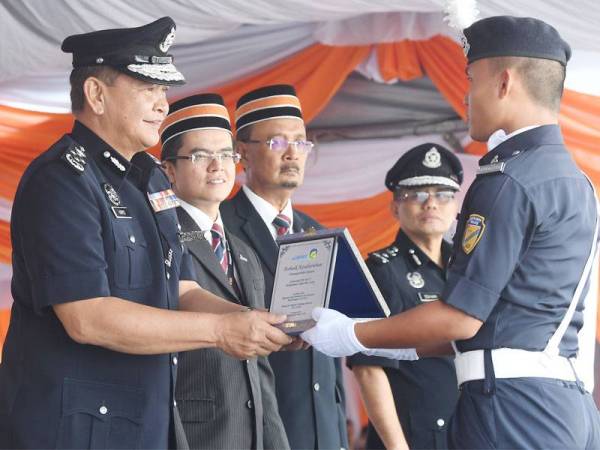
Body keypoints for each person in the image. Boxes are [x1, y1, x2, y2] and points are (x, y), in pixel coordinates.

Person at [302, 15, 600, 449]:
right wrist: (401, 347)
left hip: (512, 408)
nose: (466, 97)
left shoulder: (507, 179)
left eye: (471, 79)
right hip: (564, 404)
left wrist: (351, 334)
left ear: (503, 83)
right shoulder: (576, 180)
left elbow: (462, 318)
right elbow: (508, 321)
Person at [0, 18, 291, 449]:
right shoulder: (61, 180)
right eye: (148, 88)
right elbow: (87, 318)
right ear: (96, 95)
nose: (162, 105)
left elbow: (182, 287)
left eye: (163, 91)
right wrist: (220, 332)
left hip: (146, 423)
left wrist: (253, 321)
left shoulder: (152, 180)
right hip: (72, 430)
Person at [221, 84, 348, 450]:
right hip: (255, 430)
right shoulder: (221, 226)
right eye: (277, 143)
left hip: (323, 430)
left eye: (302, 143)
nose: (293, 154)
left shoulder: (319, 233)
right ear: (242, 152)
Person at [160, 93, 289, 450]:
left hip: (251, 435)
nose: (217, 166)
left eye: (225, 154)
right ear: (169, 170)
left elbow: (259, 369)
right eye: (200, 156)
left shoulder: (243, 251)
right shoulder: (160, 238)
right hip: (194, 434)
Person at [348, 143, 461, 450]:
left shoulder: (466, 270)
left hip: (464, 431)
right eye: (418, 195)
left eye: (443, 194)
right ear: (395, 207)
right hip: (411, 438)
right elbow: (368, 368)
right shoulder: (380, 270)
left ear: (455, 206)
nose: (431, 204)